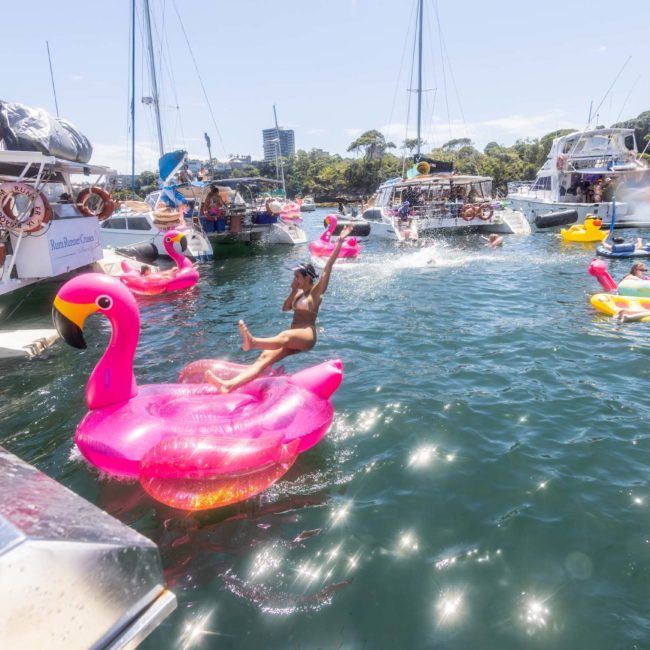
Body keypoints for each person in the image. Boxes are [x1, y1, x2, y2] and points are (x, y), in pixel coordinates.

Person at [206, 226, 355, 393]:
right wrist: (292, 291)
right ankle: (229, 385)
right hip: (293, 336)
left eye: (297, 277)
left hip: (306, 335)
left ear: (307, 277)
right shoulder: (298, 294)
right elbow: (285, 308)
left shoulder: (316, 292)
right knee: (264, 357)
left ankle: (253, 342)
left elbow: (328, 268)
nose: (295, 280)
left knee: (283, 336)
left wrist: (340, 241)